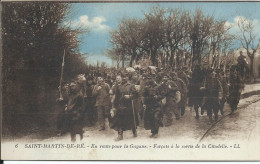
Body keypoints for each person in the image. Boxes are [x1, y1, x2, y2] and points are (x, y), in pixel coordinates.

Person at [110, 74, 139, 141]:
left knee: (131, 120)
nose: (124, 79)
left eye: (125, 77)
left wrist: (130, 96)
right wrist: (114, 107)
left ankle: (134, 131)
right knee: (119, 120)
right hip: (120, 106)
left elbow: (136, 95)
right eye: (123, 78)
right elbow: (116, 97)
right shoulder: (117, 86)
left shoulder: (131, 86)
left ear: (127, 78)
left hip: (129, 106)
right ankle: (120, 135)